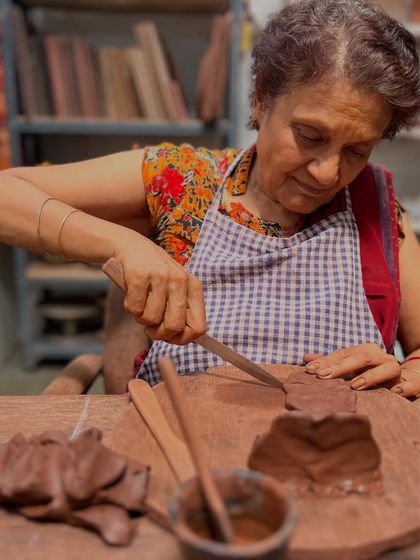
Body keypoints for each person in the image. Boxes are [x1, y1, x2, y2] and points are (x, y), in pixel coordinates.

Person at [0, 0, 419, 396]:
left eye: (356, 151)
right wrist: (124, 245)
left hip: (333, 458)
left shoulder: (376, 209)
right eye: (310, 136)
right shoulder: (184, 179)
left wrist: (406, 371)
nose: (328, 172)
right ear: (260, 98)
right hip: (183, 454)